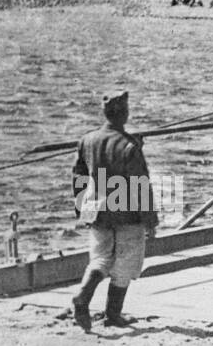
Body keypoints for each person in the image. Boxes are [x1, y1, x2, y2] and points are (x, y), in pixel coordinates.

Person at [68, 90, 159, 331]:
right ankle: (112, 313)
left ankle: (83, 297)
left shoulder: (87, 140)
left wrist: (80, 207)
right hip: (126, 212)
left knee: (100, 259)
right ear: (125, 114)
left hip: (97, 210)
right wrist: (151, 220)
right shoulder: (129, 147)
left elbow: (78, 175)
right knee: (126, 263)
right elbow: (141, 185)